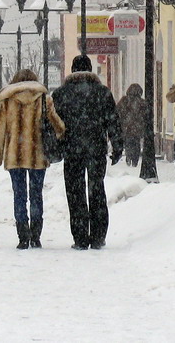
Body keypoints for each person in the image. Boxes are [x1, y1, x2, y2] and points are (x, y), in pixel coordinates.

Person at [0, 68, 65, 250]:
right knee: (36, 195)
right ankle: (36, 236)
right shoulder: (44, 100)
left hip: (15, 155)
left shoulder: (8, 101)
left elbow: (0, 131)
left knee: (19, 195)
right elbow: (57, 125)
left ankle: (23, 236)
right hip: (38, 154)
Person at [52, 56, 122, 250]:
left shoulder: (61, 94)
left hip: (72, 148)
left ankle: (81, 237)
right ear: (91, 70)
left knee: (75, 192)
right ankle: (98, 236)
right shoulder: (102, 93)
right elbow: (113, 121)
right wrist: (117, 145)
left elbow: (54, 125)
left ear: (72, 70)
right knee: (97, 189)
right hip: (96, 148)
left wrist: (55, 148)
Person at [115, 83, 146, 167]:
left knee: (128, 143)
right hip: (137, 128)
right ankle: (134, 160)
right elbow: (145, 115)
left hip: (127, 127)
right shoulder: (142, 102)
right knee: (136, 144)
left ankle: (129, 158)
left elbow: (117, 112)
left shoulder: (124, 100)